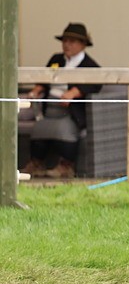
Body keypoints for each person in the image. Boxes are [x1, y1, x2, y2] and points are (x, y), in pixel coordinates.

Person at [22, 23, 103, 179]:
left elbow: (95, 84)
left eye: (72, 41)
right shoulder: (56, 59)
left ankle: (66, 166)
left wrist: (74, 92)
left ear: (83, 44)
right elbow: (44, 78)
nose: (67, 45)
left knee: (65, 130)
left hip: (70, 112)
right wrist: (36, 90)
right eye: (65, 41)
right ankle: (36, 163)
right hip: (50, 108)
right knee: (39, 129)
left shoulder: (90, 65)